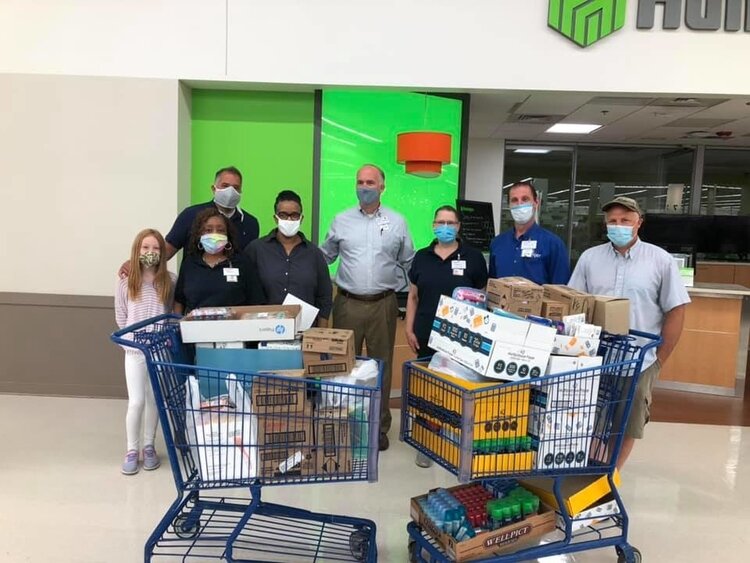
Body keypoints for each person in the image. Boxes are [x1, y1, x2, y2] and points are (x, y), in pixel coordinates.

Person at [568, 196, 690, 469]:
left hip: (639, 361)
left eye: (625, 220)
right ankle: (589, 471)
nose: (618, 225)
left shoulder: (661, 261)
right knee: (589, 420)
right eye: (613, 220)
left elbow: (677, 311)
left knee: (627, 423)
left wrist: (659, 359)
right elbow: (575, 303)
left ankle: (610, 476)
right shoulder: (590, 258)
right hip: (595, 358)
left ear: (639, 223)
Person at [321, 164, 415, 451]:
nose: (364, 186)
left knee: (381, 369)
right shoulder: (341, 220)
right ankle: (342, 425)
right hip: (347, 303)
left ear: (382, 187)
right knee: (343, 367)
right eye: (360, 181)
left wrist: (415, 300)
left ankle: (378, 429)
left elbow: (409, 262)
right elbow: (323, 257)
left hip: (383, 305)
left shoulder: (398, 222)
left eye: (370, 182)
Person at [405, 205, 488, 468]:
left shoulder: (473, 258)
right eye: (440, 222)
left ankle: (456, 442)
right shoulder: (422, 256)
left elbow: (483, 298)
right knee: (429, 391)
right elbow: (413, 296)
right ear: (433, 225)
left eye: (450, 222)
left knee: (459, 389)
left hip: (462, 339)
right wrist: (409, 328)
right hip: (427, 335)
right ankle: (427, 442)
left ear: (459, 227)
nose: (445, 227)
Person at [118, 166, 259, 277]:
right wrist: (137, 264)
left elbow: (249, 263)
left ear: (241, 191)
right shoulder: (191, 215)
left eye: (235, 188)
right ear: (213, 188)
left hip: (235, 295)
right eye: (225, 185)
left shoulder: (251, 223)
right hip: (193, 292)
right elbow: (167, 249)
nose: (230, 191)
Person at [114, 228, 176, 475]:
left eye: (156, 248)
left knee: (154, 400)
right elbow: (121, 316)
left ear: (163, 253)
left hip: (159, 351)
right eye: (145, 248)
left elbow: (169, 313)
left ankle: (149, 446)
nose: (151, 252)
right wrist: (131, 341)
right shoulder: (126, 281)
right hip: (134, 352)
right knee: (136, 400)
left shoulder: (169, 281)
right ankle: (132, 449)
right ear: (137, 251)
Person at [245, 190, 333, 326]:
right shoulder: (256, 249)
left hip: (305, 330)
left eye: (294, 215)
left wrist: (321, 334)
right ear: (275, 218)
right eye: (283, 215)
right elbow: (246, 291)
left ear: (301, 218)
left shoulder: (314, 253)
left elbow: (324, 296)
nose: (289, 219)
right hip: (264, 330)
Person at [174, 207, 265, 314]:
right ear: (199, 235)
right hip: (195, 328)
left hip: (233, 327)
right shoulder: (189, 263)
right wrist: (178, 325)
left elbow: (256, 301)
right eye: (208, 230)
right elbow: (179, 301)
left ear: (228, 235)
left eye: (220, 230)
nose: (214, 234)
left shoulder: (242, 262)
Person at [489, 181, 570, 285]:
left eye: (525, 199)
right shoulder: (497, 243)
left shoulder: (553, 244)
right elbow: (493, 286)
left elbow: (561, 291)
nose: (519, 204)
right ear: (509, 205)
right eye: (514, 200)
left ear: (536, 203)